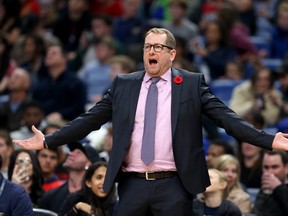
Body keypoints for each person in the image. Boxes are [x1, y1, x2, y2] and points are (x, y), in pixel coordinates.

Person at [13, 27, 288, 216]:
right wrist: (49, 140)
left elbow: (227, 118)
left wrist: (268, 140)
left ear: (171, 54)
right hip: (132, 184)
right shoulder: (124, 84)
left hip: (174, 184)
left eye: (157, 47)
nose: (150, 52)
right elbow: (90, 120)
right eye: (147, 47)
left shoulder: (190, 84)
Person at [38, 141, 100, 214]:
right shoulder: (50, 196)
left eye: (78, 153)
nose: (70, 154)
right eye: (71, 151)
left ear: (89, 164)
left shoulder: (97, 197)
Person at [253, 150, 288, 216]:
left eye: (274, 167)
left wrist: (278, 188)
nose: (269, 172)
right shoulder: (264, 189)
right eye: (266, 167)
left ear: (286, 168)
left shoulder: (281, 190)